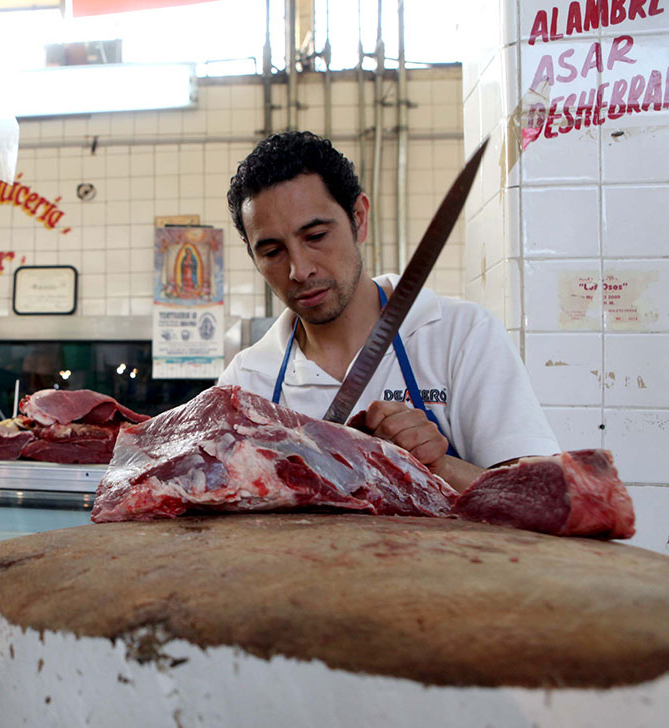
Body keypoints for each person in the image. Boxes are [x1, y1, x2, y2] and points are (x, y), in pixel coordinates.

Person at [218, 131, 559, 492]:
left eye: (316, 236)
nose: (299, 270)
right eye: (272, 252)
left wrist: (439, 466)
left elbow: (540, 499)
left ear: (359, 218)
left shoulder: (459, 336)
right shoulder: (247, 381)